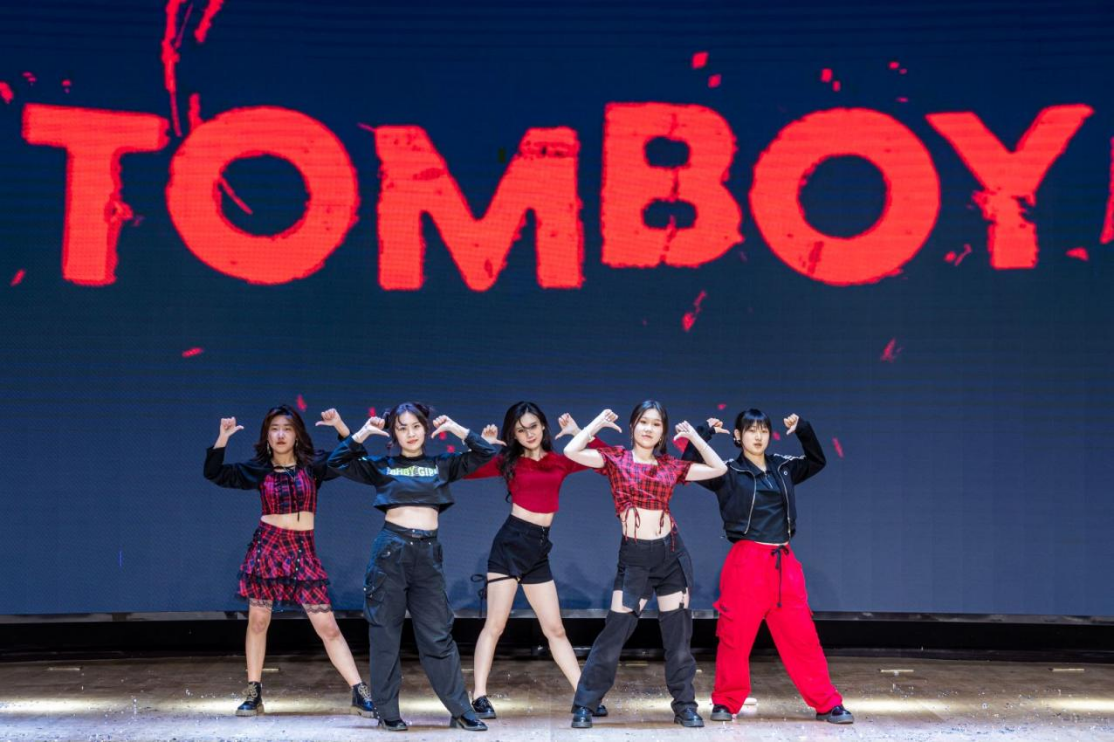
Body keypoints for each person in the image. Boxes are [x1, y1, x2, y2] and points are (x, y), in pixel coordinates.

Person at [328, 403, 496, 732]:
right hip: (391, 551)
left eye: (416, 426)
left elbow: (485, 452)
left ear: (426, 429)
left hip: (428, 554)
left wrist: (457, 429)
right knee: (385, 634)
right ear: (393, 433)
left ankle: (461, 710)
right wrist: (362, 433)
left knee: (437, 635)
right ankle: (387, 711)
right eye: (402, 428)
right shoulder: (383, 466)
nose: (410, 433)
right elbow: (336, 462)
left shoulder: (441, 465)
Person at [203, 405, 375, 718]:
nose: (281, 434)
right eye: (274, 429)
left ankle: (359, 692)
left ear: (297, 435)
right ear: (267, 436)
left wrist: (340, 425)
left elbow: (354, 457)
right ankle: (253, 693)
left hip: (302, 549)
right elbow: (214, 473)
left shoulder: (314, 465)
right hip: (268, 547)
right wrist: (223, 438)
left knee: (327, 626)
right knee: (258, 621)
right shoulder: (259, 468)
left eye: (287, 428)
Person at [563, 402, 727, 729]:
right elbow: (571, 451)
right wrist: (597, 423)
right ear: (632, 426)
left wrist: (695, 437)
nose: (649, 429)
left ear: (662, 432)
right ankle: (585, 705)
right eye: (643, 422)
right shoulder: (616, 459)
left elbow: (719, 468)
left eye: (655, 424)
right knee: (614, 634)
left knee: (678, 639)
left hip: (671, 556)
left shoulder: (670, 465)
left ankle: (685, 706)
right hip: (635, 559)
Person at [682, 409, 853, 725]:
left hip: (783, 563)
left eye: (763, 430)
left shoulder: (783, 467)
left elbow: (817, 461)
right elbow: (686, 469)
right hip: (746, 562)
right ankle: (725, 701)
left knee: (802, 638)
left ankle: (827, 702)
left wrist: (803, 429)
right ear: (738, 436)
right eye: (750, 430)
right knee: (734, 637)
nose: (758, 436)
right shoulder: (726, 471)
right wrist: (703, 432)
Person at [464, 402, 608, 720]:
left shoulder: (561, 460)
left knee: (555, 628)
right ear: (513, 435)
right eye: (520, 430)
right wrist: (481, 446)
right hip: (510, 545)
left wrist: (579, 432)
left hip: (538, 549)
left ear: (543, 426)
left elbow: (605, 458)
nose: (528, 434)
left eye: (533, 426)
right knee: (495, 625)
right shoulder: (508, 461)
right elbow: (466, 470)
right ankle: (479, 696)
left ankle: (584, 696)